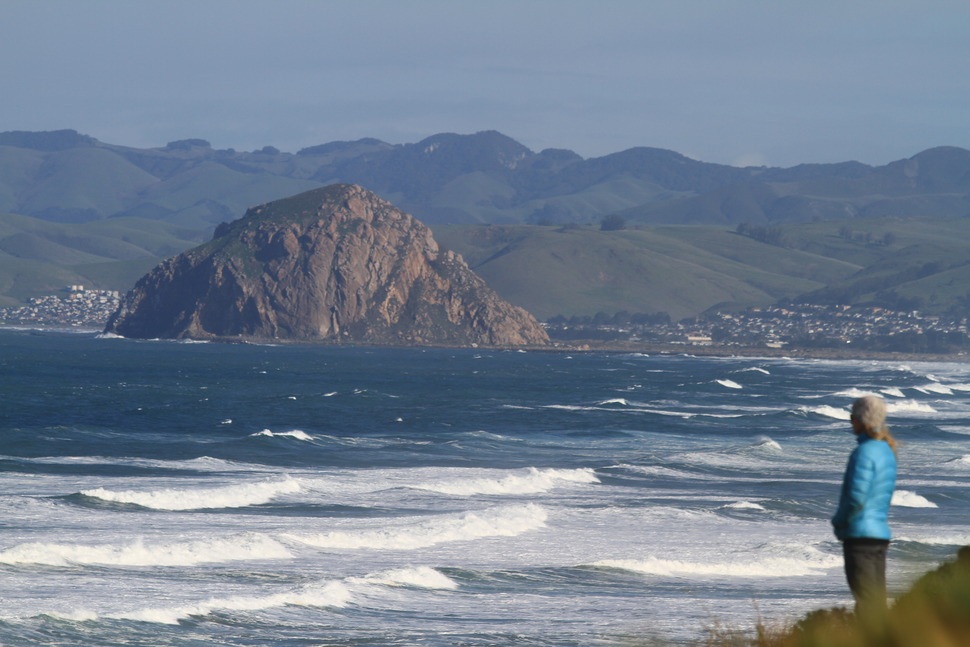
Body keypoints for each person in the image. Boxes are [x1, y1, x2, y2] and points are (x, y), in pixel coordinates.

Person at [831, 394, 898, 621]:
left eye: (852, 417)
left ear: (860, 419)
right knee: (875, 602)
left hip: (860, 537)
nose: (850, 421)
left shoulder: (863, 452)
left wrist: (839, 522)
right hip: (880, 534)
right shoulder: (887, 451)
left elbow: (856, 497)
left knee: (867, 605)